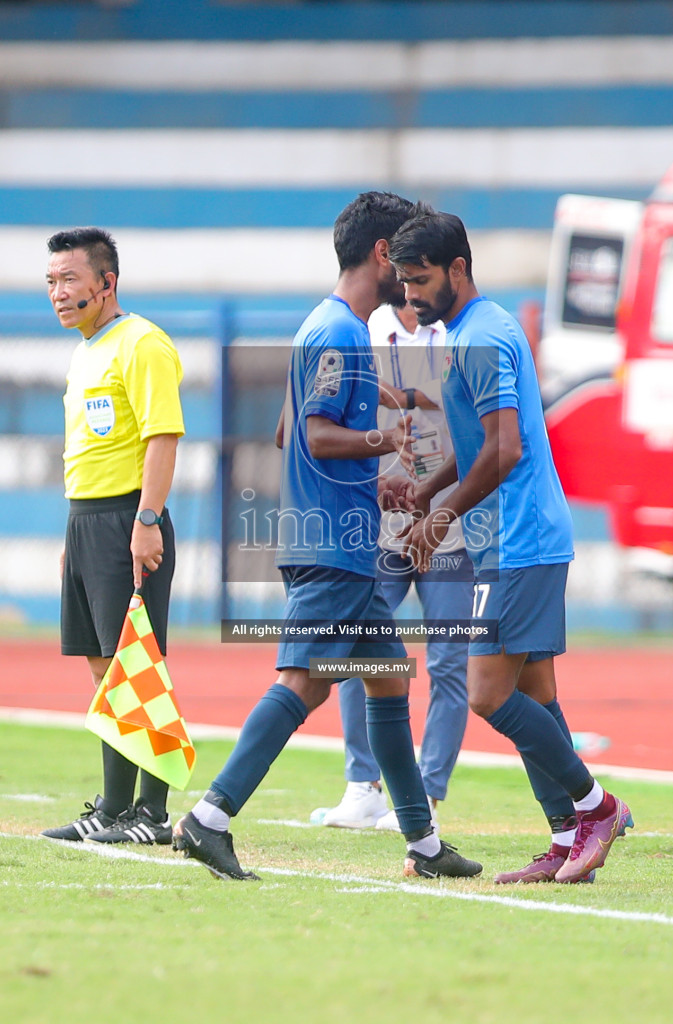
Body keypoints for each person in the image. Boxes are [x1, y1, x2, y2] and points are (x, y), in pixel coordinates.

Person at [173, 192, 482, 881]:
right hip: (333, 551)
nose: (407, 272)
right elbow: (312, 431)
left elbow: (292, 436)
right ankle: (208, 819)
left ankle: (424, 846)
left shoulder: (329, 327)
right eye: (400, 257)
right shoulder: (340, 333)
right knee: (301, 684)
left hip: (345, 535)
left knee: (387, 681)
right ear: (380, 255)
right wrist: (385, 436)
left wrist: (372, 483)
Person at [390, 208, 633, 885]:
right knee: (536, 694)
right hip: (508, 537)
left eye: (420, 280)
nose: (410, 296)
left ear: (458, 269)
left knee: (488, 695)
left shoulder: (484, 337)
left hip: (519, 539)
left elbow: (506, 448)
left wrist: (442, 518)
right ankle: (565, 838)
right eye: (403, 283)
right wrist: (431, 491)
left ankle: (597, 807)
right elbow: (476, 444)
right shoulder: (465, 333)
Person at [40, 227, 185, 846]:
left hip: (128, 519)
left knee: (137, 663)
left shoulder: (142, 343)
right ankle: (116, 807)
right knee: (106, 666)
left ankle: (148, 812)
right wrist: (76, 529)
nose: (58, 292)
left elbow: (162, 437)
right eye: (50, 281)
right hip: (87, 520)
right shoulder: (85, 349)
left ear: (107, 283)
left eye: (70, 279)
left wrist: (147, 521)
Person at [312, 300, 472, 831]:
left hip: (449, 521)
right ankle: (363, 786)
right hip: (382, 518)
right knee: (361, 649)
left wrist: (407, 395)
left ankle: (427, 795)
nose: (409, 284)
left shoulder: (456, 329)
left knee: (448, 662)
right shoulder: (365, 330)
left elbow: (470, 410)